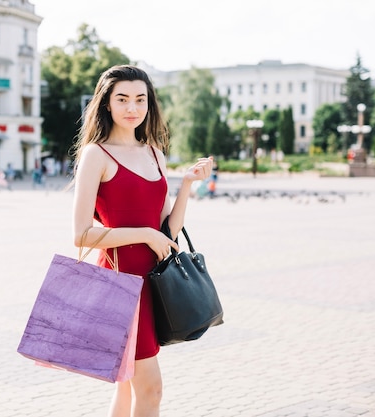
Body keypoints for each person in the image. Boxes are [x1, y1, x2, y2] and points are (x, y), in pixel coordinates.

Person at [71, 65, 212, 417]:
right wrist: (144, 235)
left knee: (126, 388)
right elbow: (82, 234)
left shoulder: (154, 153)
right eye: (122, 99)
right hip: (119, 283)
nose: (132, 108)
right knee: (150, 390)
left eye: (140, 99)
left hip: (154, 281)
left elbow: (168, 231)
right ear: (106, 104)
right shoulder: (96, 155)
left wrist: (187, 185)